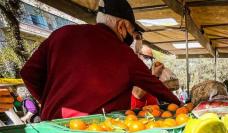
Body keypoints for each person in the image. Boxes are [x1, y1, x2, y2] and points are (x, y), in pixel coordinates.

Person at [20, 0, 180, 120]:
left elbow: (28, 73)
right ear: (122, 25)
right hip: (98, 132)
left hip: (52, 127)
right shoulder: (123, 53)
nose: (132, 38)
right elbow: (154, 86)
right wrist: (181, 105)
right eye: (132, 32)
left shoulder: (61, 34)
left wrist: (49, 102)